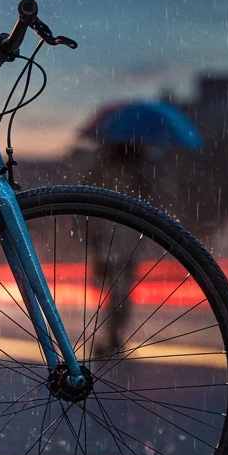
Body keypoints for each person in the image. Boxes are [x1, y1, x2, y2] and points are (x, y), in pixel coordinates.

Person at [86, 143, 150, 355]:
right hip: (126, 244)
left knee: (117, 293)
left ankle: (113, 336)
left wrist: (94, 242)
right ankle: (115, 336)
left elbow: (94, 211)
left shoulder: (104, 173)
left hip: (111, 243)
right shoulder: (140, 176)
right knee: (121, 293)